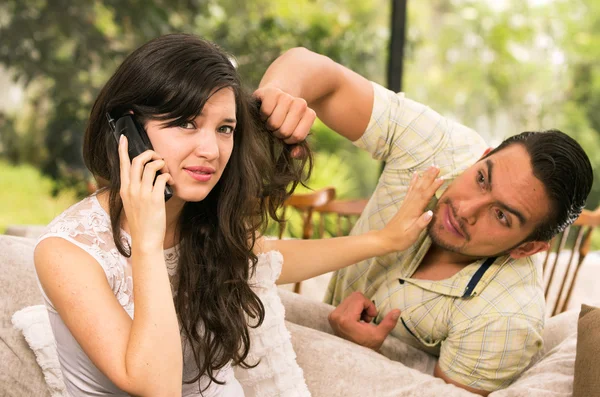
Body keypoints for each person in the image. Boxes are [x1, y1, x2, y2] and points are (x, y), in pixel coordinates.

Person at [33, 34, 443, 397]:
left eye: (224, 128)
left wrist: (382, 241)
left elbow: (267, 257)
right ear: (127, 132)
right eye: (187, 124)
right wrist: (146, 241)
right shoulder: (66, 252)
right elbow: (156, 387)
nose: (211, 150)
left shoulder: (198, 220)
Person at [255, 47, 594, 396]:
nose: (466, 209)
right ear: (482, 156)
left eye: (501, 215)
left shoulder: (507, 318)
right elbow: (317, 71)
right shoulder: (440, 149)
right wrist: (278, 98)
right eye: (481, 178)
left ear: (528, 248)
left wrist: (369, 355)